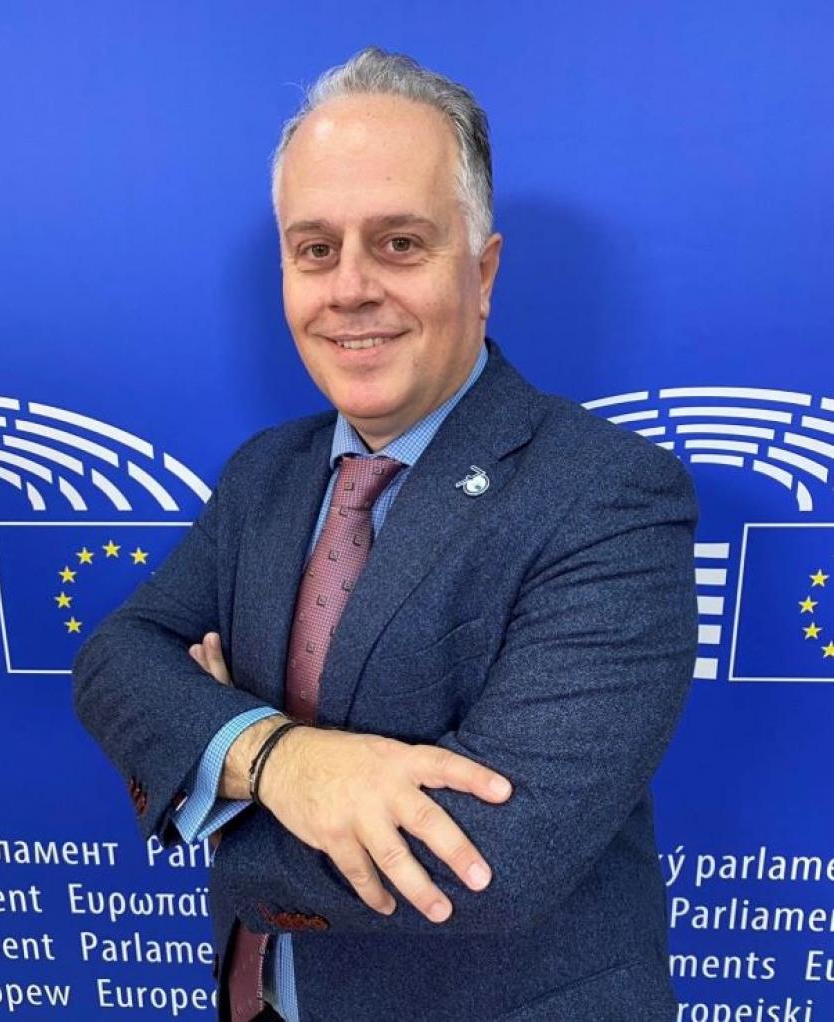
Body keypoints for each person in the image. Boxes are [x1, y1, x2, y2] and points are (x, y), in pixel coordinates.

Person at [73, 47, 698, 1022]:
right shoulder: (264, 472)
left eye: (400, 243)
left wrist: (210, 781)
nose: (350, 288)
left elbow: (494, 858)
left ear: (482, 272)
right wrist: (277, 758)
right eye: (315, 249)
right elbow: (117, 658)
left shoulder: (608, 494)